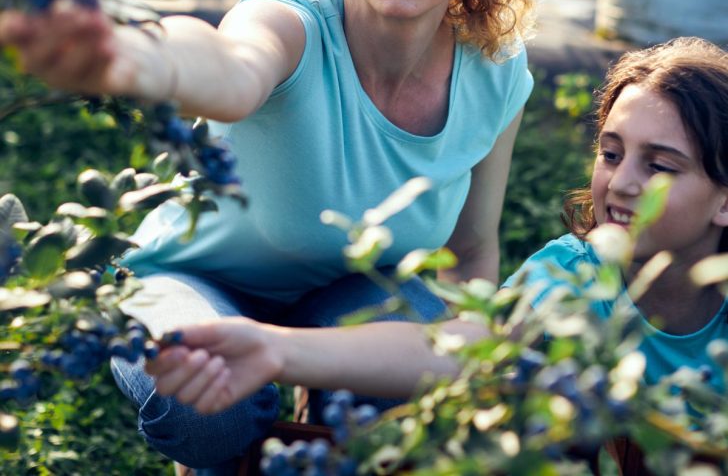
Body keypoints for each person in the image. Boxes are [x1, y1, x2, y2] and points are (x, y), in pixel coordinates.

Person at [0, 0, 535, 473]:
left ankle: (324, 412)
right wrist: (132, 57)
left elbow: (469, 252)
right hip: (190, 277)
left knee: (391, 400)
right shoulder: (291, 24)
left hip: (348, 288)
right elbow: (228, 66)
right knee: (207, 408)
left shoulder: (495, 73)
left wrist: (460, 349)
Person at [145, 37, 728, 414]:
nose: (622, 182)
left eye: (660, 166)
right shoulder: (572, 280)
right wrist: (278, 350)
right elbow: (453, 350)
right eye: (611, 153)